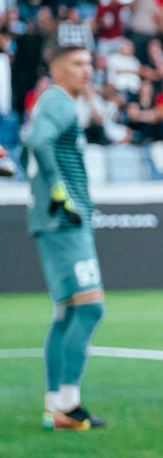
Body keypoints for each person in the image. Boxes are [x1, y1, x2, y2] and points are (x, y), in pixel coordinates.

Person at [24, 45, 108, 431]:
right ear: (57, 70)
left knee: (68, 312)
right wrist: (60, 192)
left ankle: (56, 406)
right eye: (77, 63)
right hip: (64, 221)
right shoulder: (59, 102)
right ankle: (68, 404)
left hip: (54, 221)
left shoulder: (53, 102)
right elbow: (38, 141)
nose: (86, 70)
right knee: (90, 309)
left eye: (89, 63)